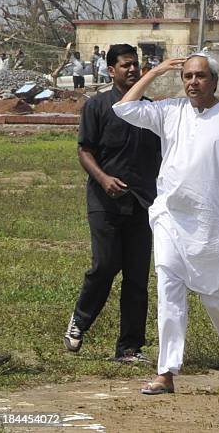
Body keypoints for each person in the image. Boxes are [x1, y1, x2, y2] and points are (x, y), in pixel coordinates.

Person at [112, 52, 219, 395]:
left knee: (216, 299)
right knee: (169, 294)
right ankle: (166, 372)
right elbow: (125, 108)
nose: (192, 82)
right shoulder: (169, 111)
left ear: (214, 81)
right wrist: (157, 72)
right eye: (187, 77)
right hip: (169, 219)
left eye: (199, 76)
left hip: (214, 223)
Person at [64, 44, 161, 364]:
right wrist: (104, 179)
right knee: (105, 265)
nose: (133, 70)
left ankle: (129, 348)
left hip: (141, 203)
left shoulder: (150, 110)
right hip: (104, 202)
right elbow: (84, 151)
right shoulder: (97, 106)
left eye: (136, 65)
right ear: (111, 70)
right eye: (126, 65)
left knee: (136, 277)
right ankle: (80, 319)